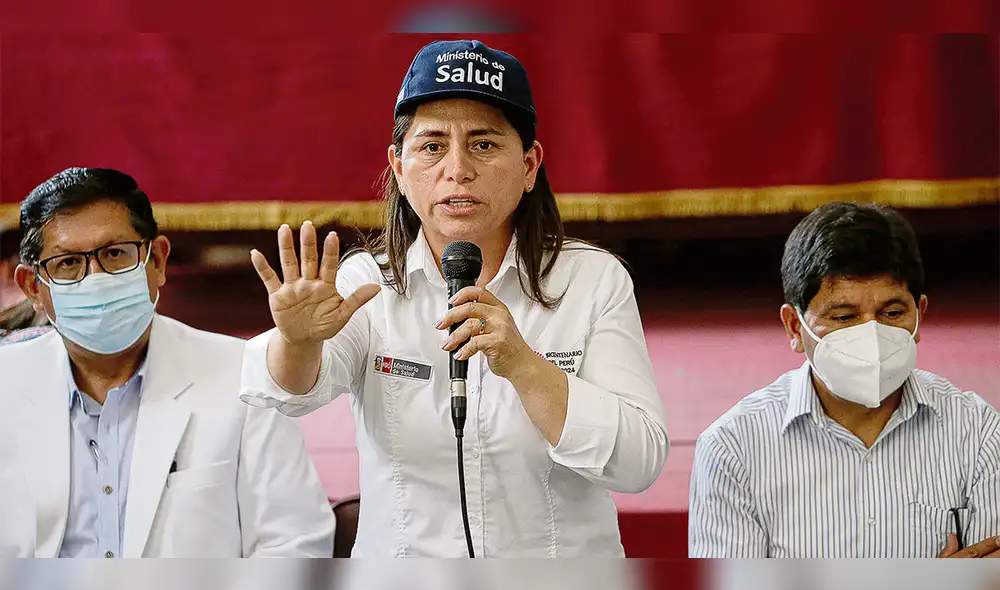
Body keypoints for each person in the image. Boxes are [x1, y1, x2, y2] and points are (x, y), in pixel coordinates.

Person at [240, 39, 668, 557]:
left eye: (484, 144)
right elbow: (289, 394)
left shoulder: (592, 281)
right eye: (433, 145)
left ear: (530, 165)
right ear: (398, 166)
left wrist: (526, 367)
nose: (458, 168)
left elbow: (640, 462)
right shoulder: (368, 284)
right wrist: (298, 342)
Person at [0, 168, 334, 558]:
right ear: (33, 288)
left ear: (157, 261)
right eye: (69, 263)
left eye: (114, 254)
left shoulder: (244, 375)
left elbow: (294, 545)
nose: (96, 279)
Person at [688, 202, 999, 558]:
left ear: (920, 315)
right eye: (844, 316)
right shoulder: (734, 449)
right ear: (794, 326)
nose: (871, 332)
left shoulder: (977, 431)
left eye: (892, 313)